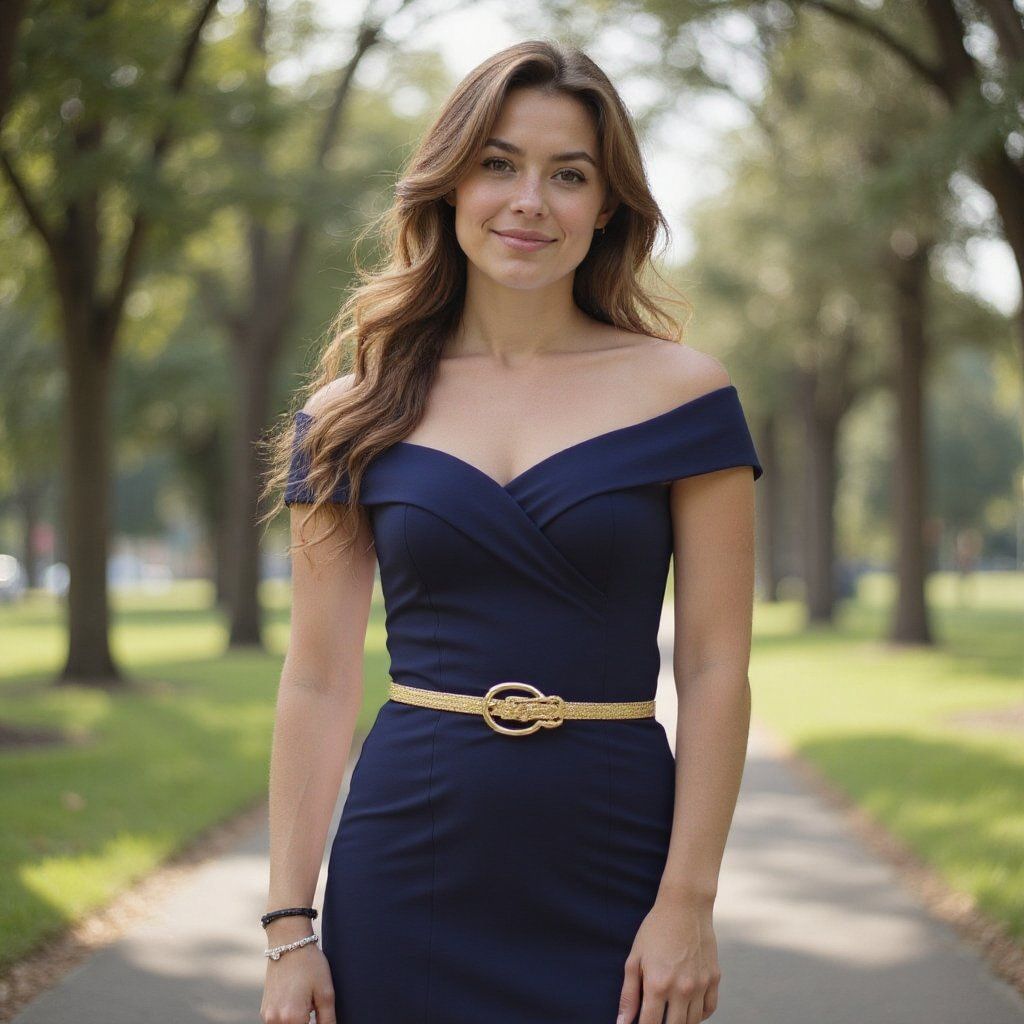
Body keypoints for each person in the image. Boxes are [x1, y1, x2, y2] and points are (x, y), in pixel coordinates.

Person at [258, 39, 763, 1024]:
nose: (528, 200)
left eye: (566, 174)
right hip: (406, 864)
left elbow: (711, 665)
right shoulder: (350, 411)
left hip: (614, 861)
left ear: (606, 203)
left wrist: (688, 902)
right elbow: (317, 677)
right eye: (497, 164)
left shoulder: (687, 397)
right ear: (448, 186)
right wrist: (289, 928)